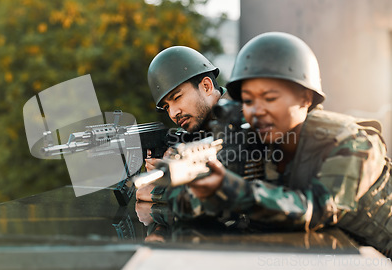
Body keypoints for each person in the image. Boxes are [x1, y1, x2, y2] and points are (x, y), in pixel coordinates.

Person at [169, 32, 391, 256]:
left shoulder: (352, 142)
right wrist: (197, 186)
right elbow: (204, 216)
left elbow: (315, 212)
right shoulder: (258, 143)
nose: (257, 110)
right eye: (248, 100)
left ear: (305, 98)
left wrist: (232, 189)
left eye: (270, 98)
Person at [136, 46, 226, 202]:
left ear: (206, 87)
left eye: (177, 97)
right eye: (166, 107)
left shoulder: (244, 123)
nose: (172, 113)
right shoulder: (194, 130)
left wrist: (163, 190)